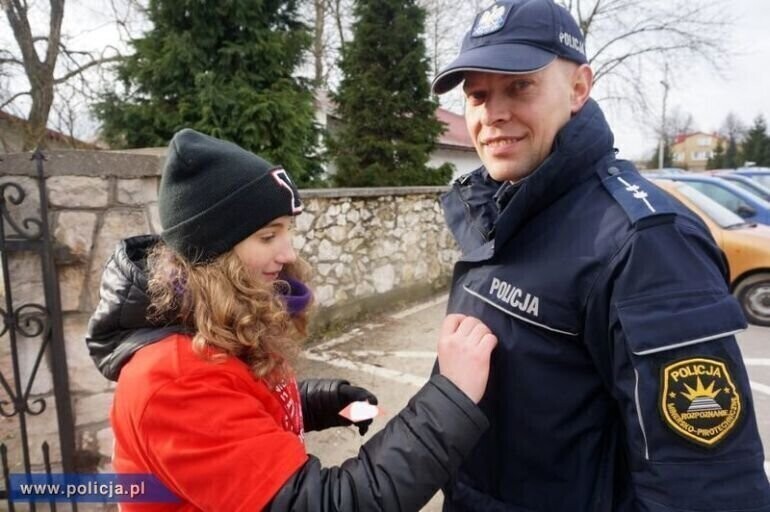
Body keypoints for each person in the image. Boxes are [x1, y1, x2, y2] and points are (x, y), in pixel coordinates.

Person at [430, 0, 770, 510]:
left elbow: (703, 487)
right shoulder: (505, 207)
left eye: (519, 86)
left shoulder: (647, 243)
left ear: (579, 88)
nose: (493, 114)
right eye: (477, 95)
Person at [86, 128, 498, 511]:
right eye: (268, 236)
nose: (288, 254)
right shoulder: (172, 380)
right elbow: (328, 503)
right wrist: (452, 397)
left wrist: (318, 402)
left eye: (287, 231)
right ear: (212, 254)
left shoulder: (211, 322)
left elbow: (237, 404)